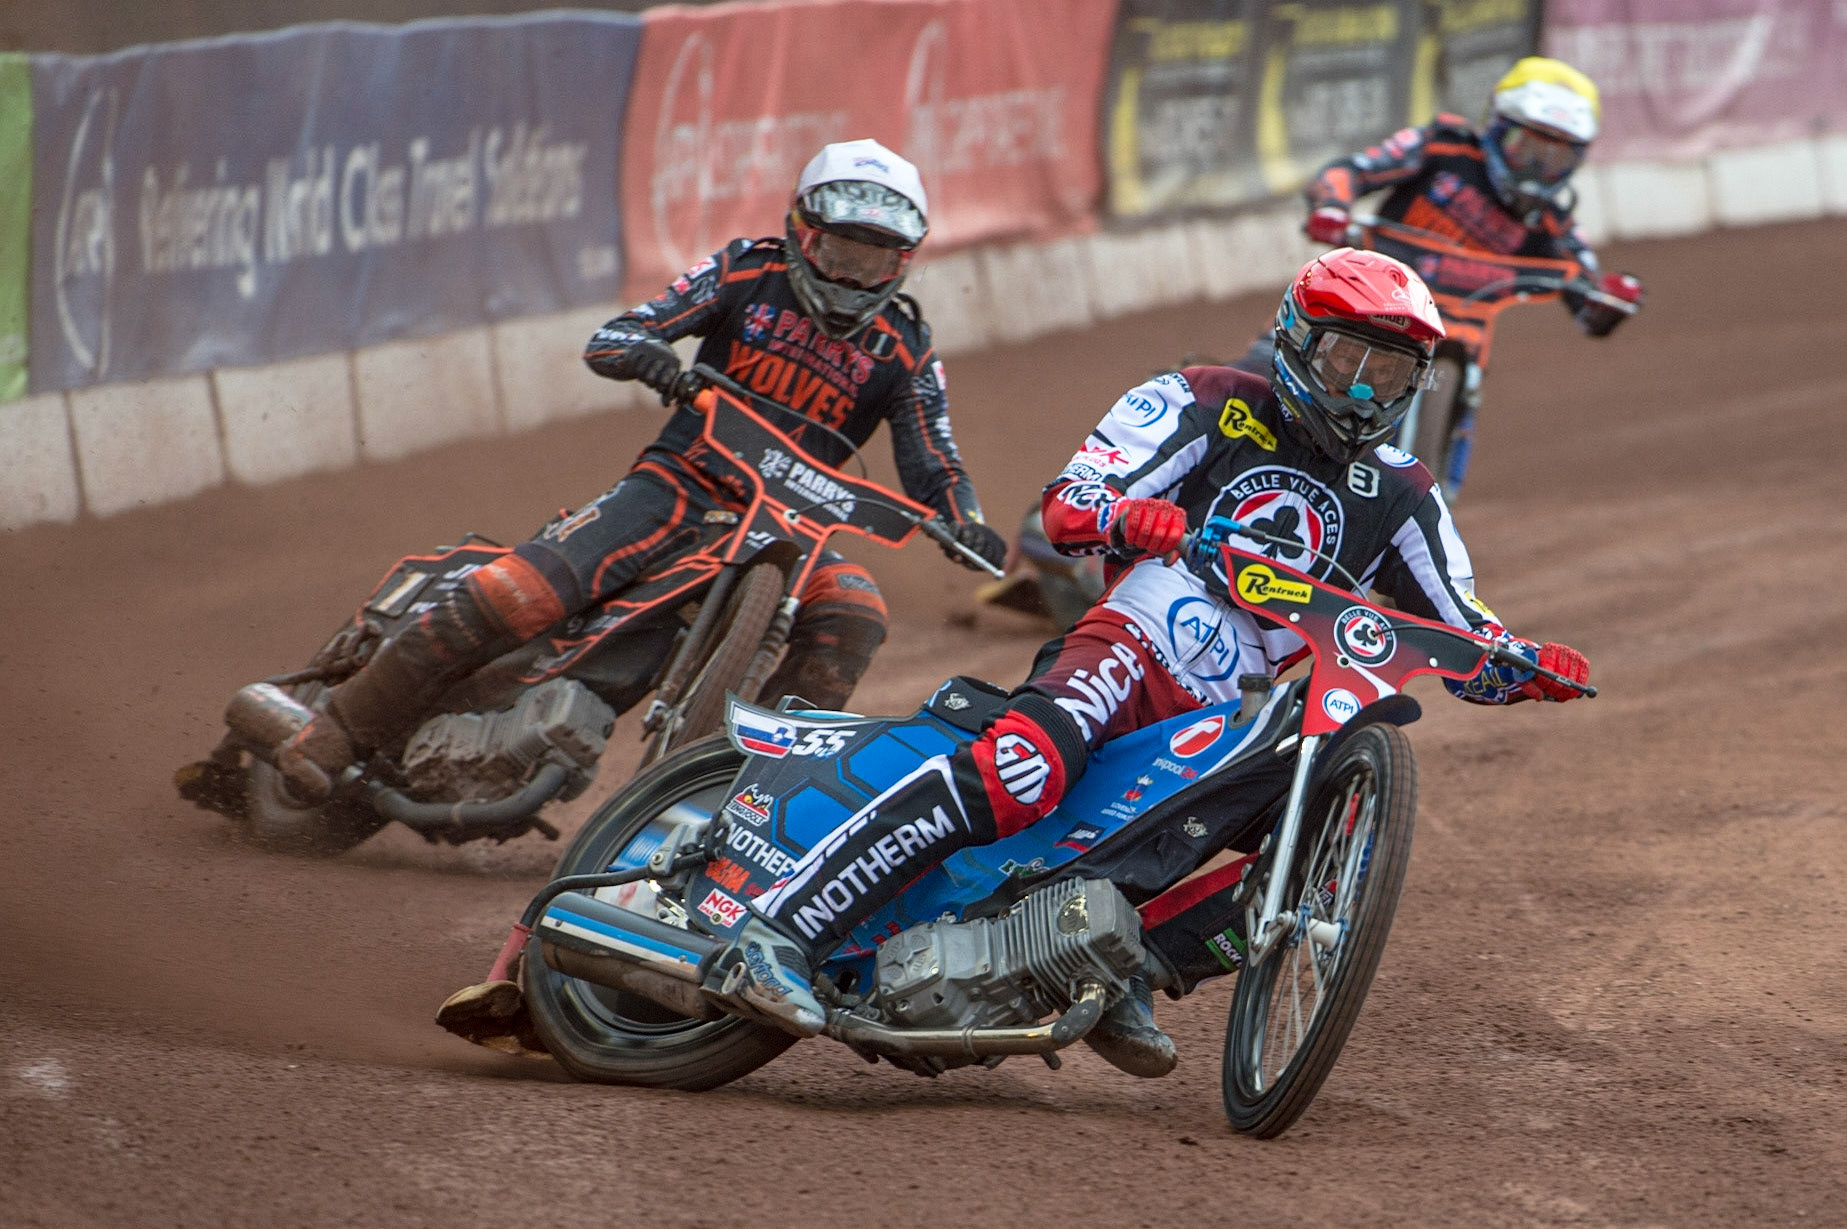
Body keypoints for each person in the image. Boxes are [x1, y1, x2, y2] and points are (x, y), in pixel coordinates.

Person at [710, 248, 1591, 1078]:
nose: (1363, 391)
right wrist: (1129, 519)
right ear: (1294, 339)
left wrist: (1519, 662)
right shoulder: (1203, 397)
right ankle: (775, 931)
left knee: (1316, 832)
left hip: (1228, 712)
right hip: (1134, 640)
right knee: (1022, 768)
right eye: (1344, 361)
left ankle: (1128, 966)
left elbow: (1463, 629)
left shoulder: (1403, 491)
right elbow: (1069, 505)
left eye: (1390, 373)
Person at [276, 139, 1007, 802]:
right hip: (679, 484)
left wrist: (965, 522)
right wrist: (653, 359)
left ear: (903, 264)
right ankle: (336, 728)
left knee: (856, 609)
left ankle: (757, 799)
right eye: (841, 251)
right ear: (801, 232)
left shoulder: (904, 348)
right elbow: (614, 336)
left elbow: (933, 461)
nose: (852, 275)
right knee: (519, 591)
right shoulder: (742, 271)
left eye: (874, 260)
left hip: (795, 526)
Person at [1301, 56, 1643, 490]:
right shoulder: (1442, 147)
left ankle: (1427, 496)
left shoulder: (1554, 224)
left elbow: (1589, 300)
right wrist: (1331, 205)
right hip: (1365, 300)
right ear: (1497, 128)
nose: (1537, 169)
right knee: (1284, 352)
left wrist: (1609, 299)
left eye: (1555, 157)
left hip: (1456, 333)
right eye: (1528, 148)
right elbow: (1352, 169)